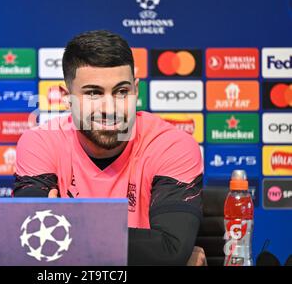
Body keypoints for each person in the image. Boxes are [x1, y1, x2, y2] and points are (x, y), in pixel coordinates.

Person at [12, 30, 206, 266]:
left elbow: (169, 249)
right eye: (93, 93)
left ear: (135, 90)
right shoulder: (40, 143)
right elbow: (30, 242)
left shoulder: (171, 146)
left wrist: (65, 225)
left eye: (121, 92)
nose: (110, 108)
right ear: (66, 97)